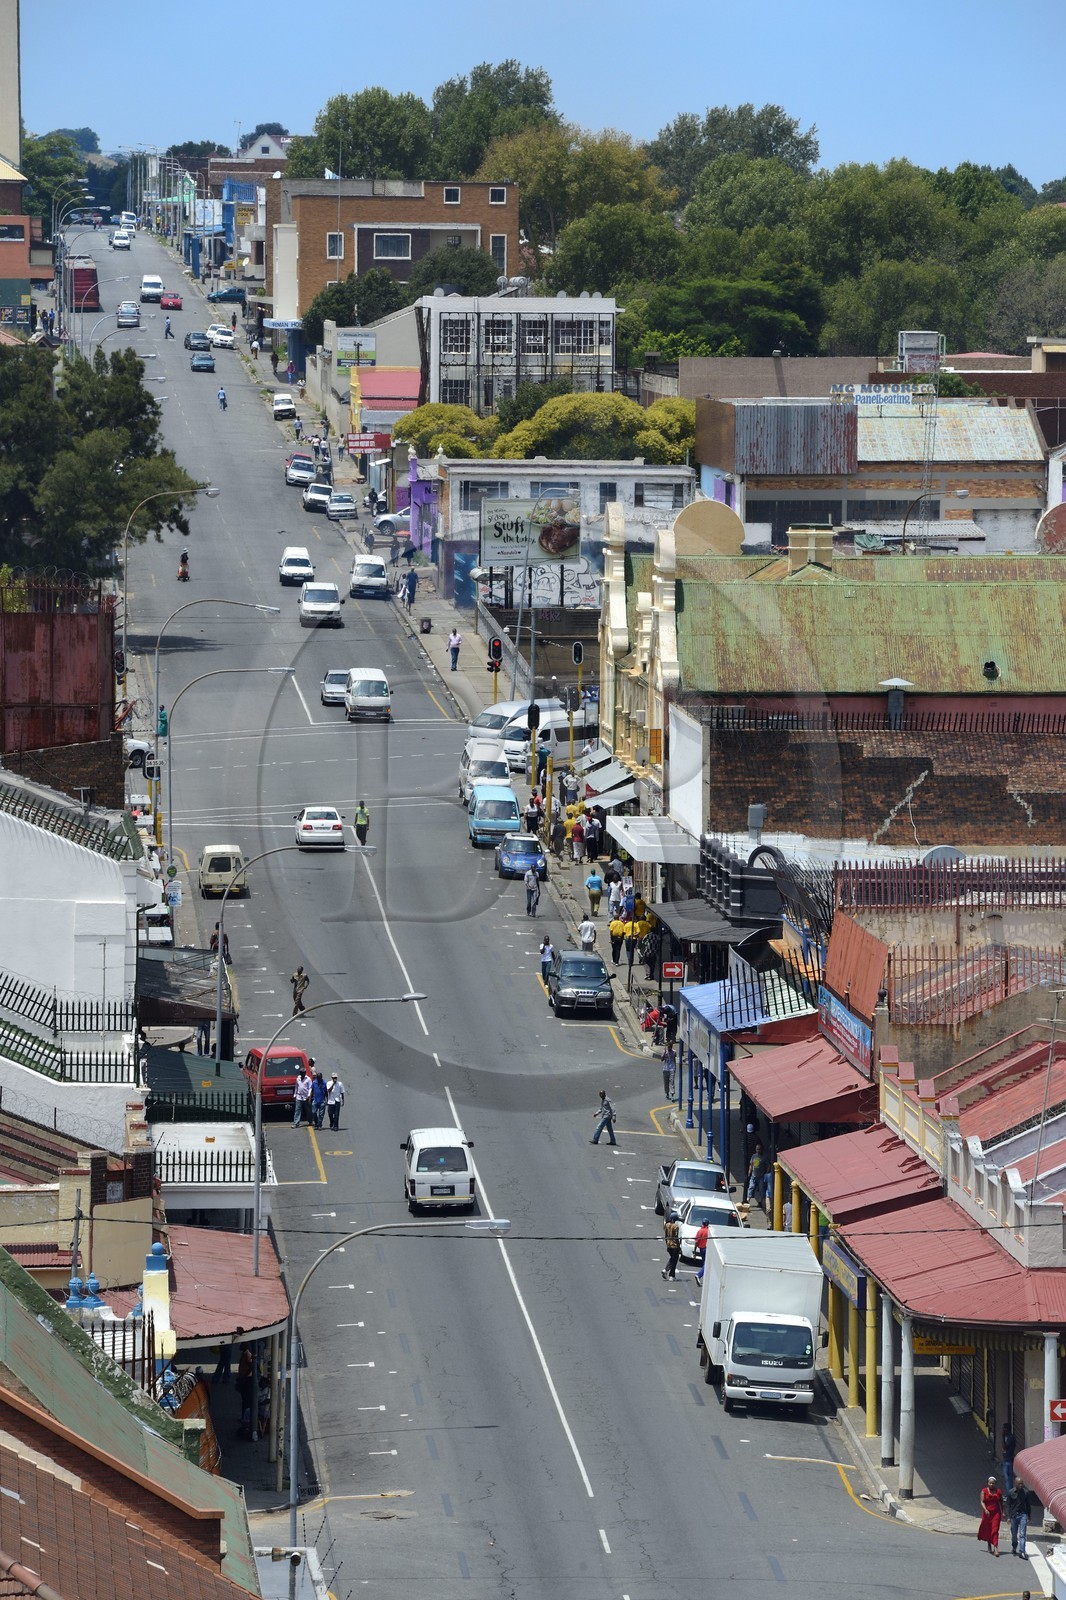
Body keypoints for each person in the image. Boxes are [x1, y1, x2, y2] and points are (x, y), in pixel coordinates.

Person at [1007, 1477, 1033, 1558]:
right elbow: (1008, 1505)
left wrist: (1029, 1515)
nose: (1021, 1485)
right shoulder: (1011, 1492)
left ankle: (1022, 1551)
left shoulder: (1025, 1493)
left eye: (1022, 1483)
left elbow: (1028, 1505)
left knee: (1022, 1534)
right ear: (1015, 1484)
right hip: (1014, 1516)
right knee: (1014, 1534)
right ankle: (1014, 1547)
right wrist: (1008, 1517)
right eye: (1019, 1484)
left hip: (1023, 1515)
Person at [978, 1476, 1003, 1556]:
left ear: (995, 1484)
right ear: (987, 1483)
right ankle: (989, 1544)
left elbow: (1001, 1502)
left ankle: (995, 1548)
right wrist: (985, 1509)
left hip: (996, 1513)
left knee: (995, 1529)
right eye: (990, 1483)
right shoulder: (984, 1491)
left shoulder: (998, 1492)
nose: (991, 1484)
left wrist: (1004, 1512)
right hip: (987, 1513)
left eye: (993, 1483)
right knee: (988, 1529)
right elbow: (982, 1501)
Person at [662, 1210, 682, 1280]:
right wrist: (679, 1246)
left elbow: (665, 1236)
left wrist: (667, 1244)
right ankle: (671, 1275)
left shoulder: (666, 1225)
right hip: (674, 1245)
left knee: (672, 1258)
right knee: (675, 1260)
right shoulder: (675, 1227)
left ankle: (666, 1270)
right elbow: (676, 1237)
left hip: (668, 1244)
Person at [694, 1217, 711, 1282]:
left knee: (704, 1263)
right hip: (707, 1248)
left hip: (701, 1249)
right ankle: (699, 1275)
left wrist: (695, 1252)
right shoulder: (708, 1231)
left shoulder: (699, 1231)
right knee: (706, 1263)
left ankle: (702, 1276)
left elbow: (696, 1242)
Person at [1002, 1422, 1017, 1493]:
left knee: (1008, 1478)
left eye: (1004, 1428)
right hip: (1005, 1459)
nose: (1002, 1430)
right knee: (1007, 1478)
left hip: (1009, 1460)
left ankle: (1010, 1494)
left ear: (1007, 1429)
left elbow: (1004, 1446)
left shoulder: (1011, 1438)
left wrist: (1002, 1437)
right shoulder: (1007, 1437)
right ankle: (1009, 1493)